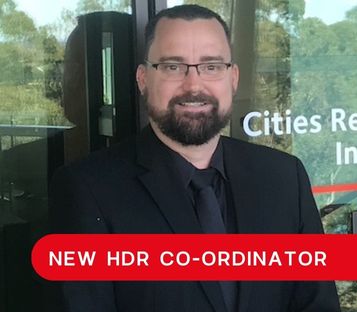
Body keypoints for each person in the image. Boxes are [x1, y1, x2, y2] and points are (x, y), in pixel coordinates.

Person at [49, 4, 341, 312]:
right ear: (143, 78)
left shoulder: (284, 177)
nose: (194, 86)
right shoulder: (88, 190)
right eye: (173, 67)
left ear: (233, 78)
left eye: (211, 66)